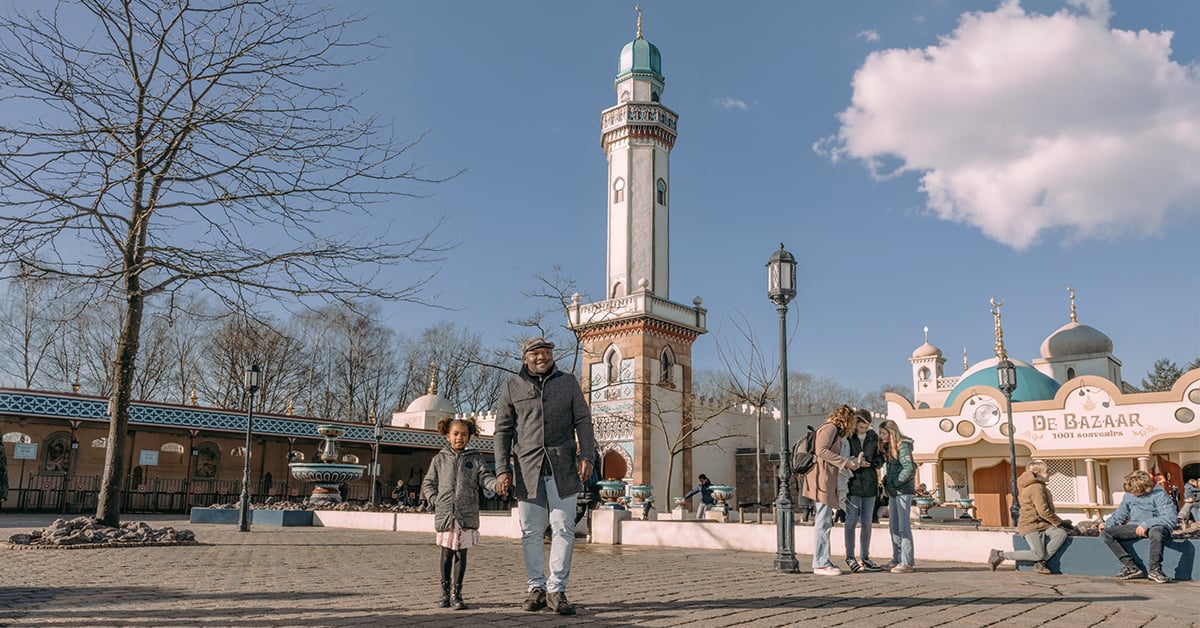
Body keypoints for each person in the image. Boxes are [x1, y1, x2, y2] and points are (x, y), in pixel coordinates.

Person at [493, 338, 596, 616]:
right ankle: (536, 587)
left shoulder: (568, 382)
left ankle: (557, 589)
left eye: (547, 352)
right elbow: (502, 432)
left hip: (563, 467)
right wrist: (502, 468)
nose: (542, 357)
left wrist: (587, 455)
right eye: (536, 353)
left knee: (563, 527)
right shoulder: (512, 387)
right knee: (531, 530)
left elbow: (583, 421)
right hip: (527, 469)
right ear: (525, 357)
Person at [421, 416, 499, 610]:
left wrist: (496, 485)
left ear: (469, 437)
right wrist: (434, 500)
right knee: (446, 554)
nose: (459, 438)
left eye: (464, 434)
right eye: (455, 434)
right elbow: (428, 483)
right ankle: (444, 592)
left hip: (466, 515)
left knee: (461, 555)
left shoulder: (475, 459)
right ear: (447, 435)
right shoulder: (439, 459)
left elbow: (485, 478)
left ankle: (457, 593)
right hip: (446, 515)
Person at [802, 405, 861, 576]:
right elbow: (821, 450)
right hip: (822, 480)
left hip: (825, 479)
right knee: (823, 521)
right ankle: (820, 562)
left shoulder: (830, 428)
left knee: (825, 520)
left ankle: (822, 560)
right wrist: (845, 462)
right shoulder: (830, 428)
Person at [986, 460, 1068, 575]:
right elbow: (1043, 511)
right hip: (1031, 525)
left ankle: (1041, 563)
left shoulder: (1040, 487)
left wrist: (1059, 524)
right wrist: (1059, 522)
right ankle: (1000, 555)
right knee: (1037, 553)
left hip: (1042, 524)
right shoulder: (1036, 488)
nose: (1049, 474)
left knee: (1060, 534)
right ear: (1038, 473)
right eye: (1046, 472)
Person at [1099, 469, 1178, 584]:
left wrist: (1146, 524)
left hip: (1157, 526)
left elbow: (1170, 518)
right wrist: (1106, 524)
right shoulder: (1129, 495)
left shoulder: (1160, 494)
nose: (1133, 494)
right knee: (1106, 534)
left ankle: (1155, 570)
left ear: (1145, 489)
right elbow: (1120, 514)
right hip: (1135, 526)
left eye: (1136, 492)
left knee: (1155, 532)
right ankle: (1131, 567)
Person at [844, 409, 883, 573]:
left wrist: (872, 463)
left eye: (866, 427)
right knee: (851, 522)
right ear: (855, 424)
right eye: (861, 427)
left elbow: (881, 458)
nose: (863, 430)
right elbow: (843, 457)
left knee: (867, 523)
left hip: (869, 484)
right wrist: (855, 462)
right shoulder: (848, 437)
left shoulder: (874, 437)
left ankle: (865, 557)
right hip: (853, 484)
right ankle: (850, 556)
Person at [878, 419, 916, 574]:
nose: (881, 436)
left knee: (903, 527)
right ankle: (897, 558)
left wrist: (896, 482)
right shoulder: (889, 448)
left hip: (903, 492)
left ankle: (907, 561)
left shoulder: (902, 446)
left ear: (891, 432)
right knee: (893, 526)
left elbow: (909, 468)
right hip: (893, 492)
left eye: (883, 433)